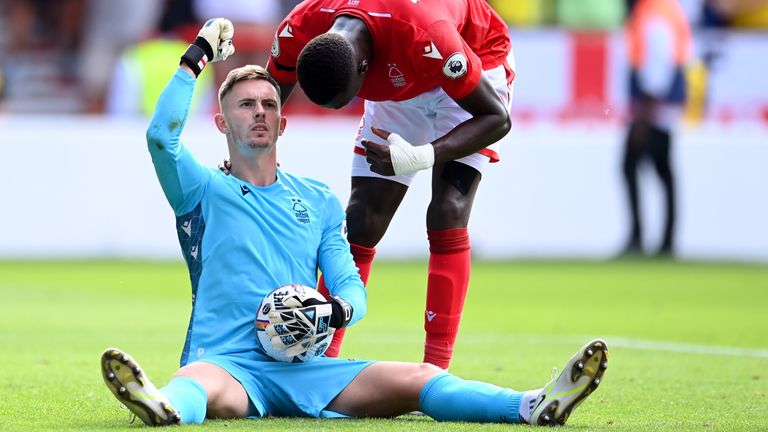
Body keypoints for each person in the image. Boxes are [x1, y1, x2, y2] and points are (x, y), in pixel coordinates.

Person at [101, 18, 609, 427]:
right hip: (228, 362)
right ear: (222, 123)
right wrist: (196, 60)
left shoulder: (318, 199)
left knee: (420, 378)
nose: (258, 112)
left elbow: (350, 285)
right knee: (200, 385)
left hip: (307, 368)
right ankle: (165, 406)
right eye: (244, 105)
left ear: (283, 122)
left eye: (268, 104)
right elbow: (160, 138)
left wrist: (335, 311)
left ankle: (532, 404)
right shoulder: (200, 188)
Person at [261, 0, 516, 369]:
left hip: (472, 64)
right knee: (362, 219)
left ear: (364, 67)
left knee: (447, 210)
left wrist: (424, 155)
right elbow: (264, 103)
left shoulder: (429, 36)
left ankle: (434, 371)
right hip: (402, 82)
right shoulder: (298, 27)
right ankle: (319, 362)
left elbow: (496, 119)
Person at [621, 0, 692, 257]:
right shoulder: (666, 8)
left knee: (632, 166)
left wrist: (644, 116)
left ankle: (640, 238)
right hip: (663, 107)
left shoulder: (652, 12)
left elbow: (657, 65)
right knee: (664, 172)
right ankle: (666, 242)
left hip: (653, 108)